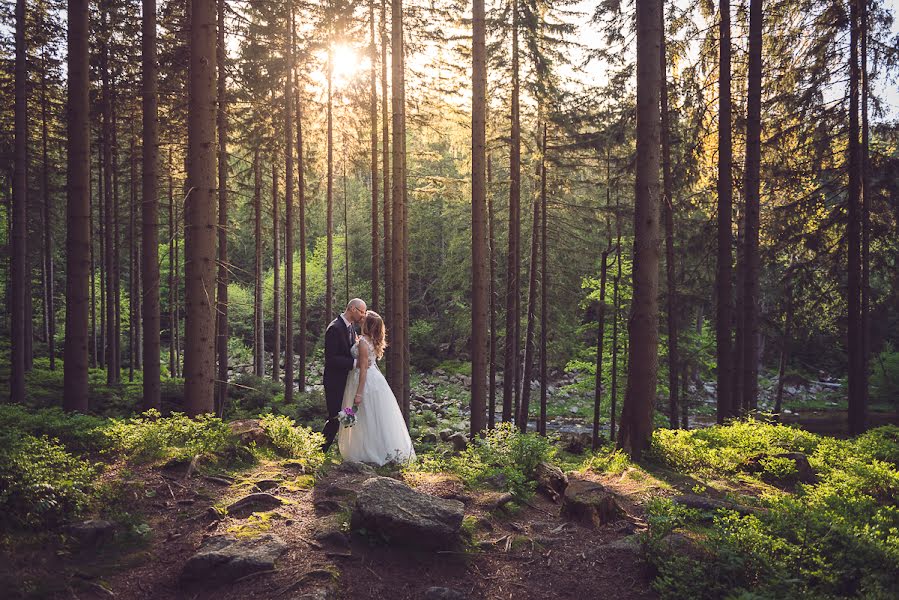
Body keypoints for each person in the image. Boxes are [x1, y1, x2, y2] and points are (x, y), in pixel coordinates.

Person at [338, 310, 415, 465]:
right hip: (374, 380)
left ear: (368, 324)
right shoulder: (368, 340)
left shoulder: (363, 343)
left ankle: (370, 452)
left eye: (364, 318)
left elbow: (363, 369)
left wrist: (359, 393)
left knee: (367, 416)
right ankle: (371, 449)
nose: (361, 319)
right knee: (372, 416)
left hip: (364, 382)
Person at [321, 298, 367, 452]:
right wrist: (355, 363)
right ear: (352, 309)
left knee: (348, 415)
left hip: (347, 382)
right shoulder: (335, 328)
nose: (363, 316)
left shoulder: (351, 328)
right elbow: (331, 358)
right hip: (334, 382)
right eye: (361, 312)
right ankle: (319, 451)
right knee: (335, 417)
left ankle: (348, 448)